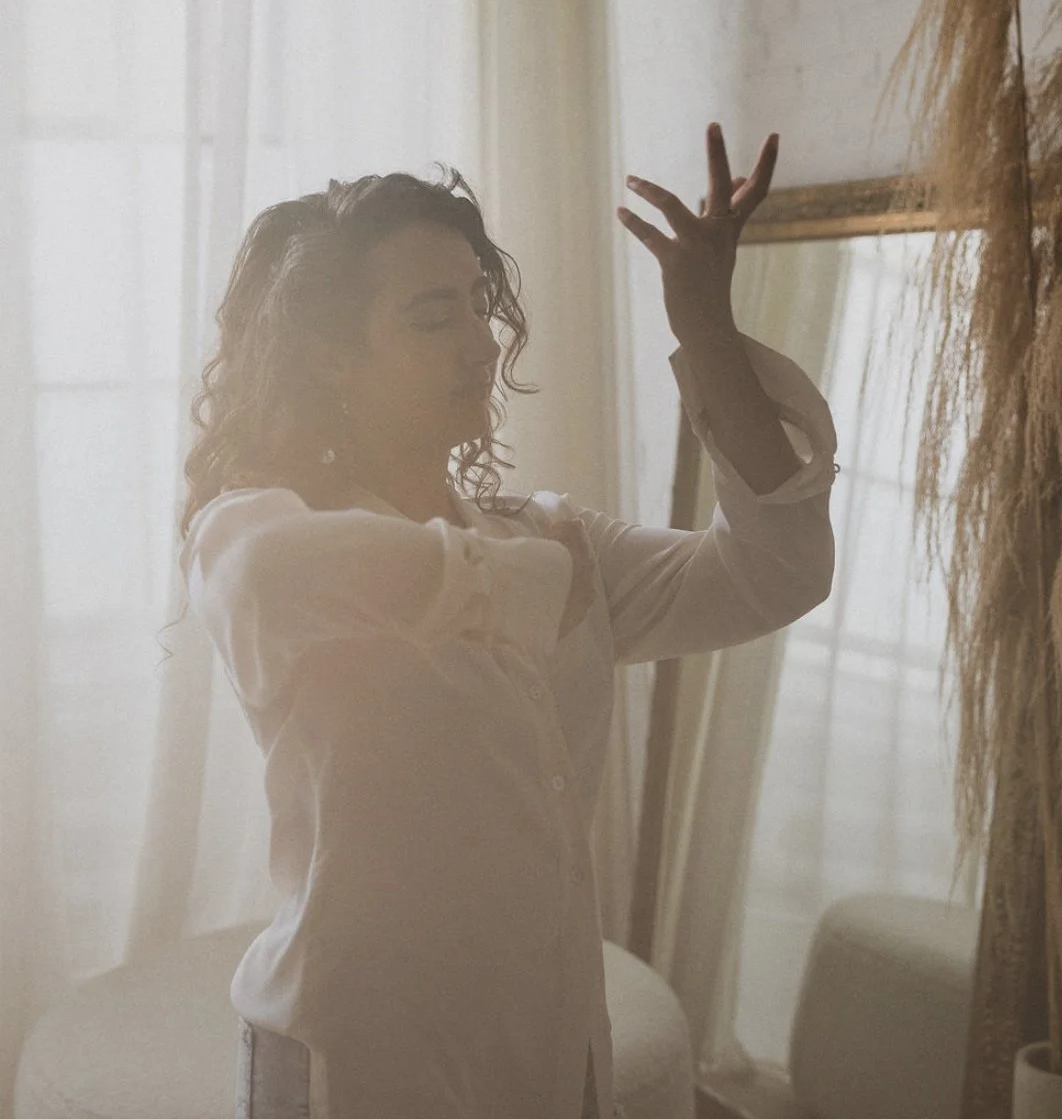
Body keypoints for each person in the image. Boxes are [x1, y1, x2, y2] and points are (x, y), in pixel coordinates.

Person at [178, 122, 838, 1119]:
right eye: (433, 316)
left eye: (479, 306)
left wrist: (707, 333)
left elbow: (777, 570)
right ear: (330, 359)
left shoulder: (552, 535)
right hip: (355, 1057)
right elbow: (268, 576)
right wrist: (527, 585)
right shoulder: (263, 529)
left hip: (552, 1041)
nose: (483, 343)